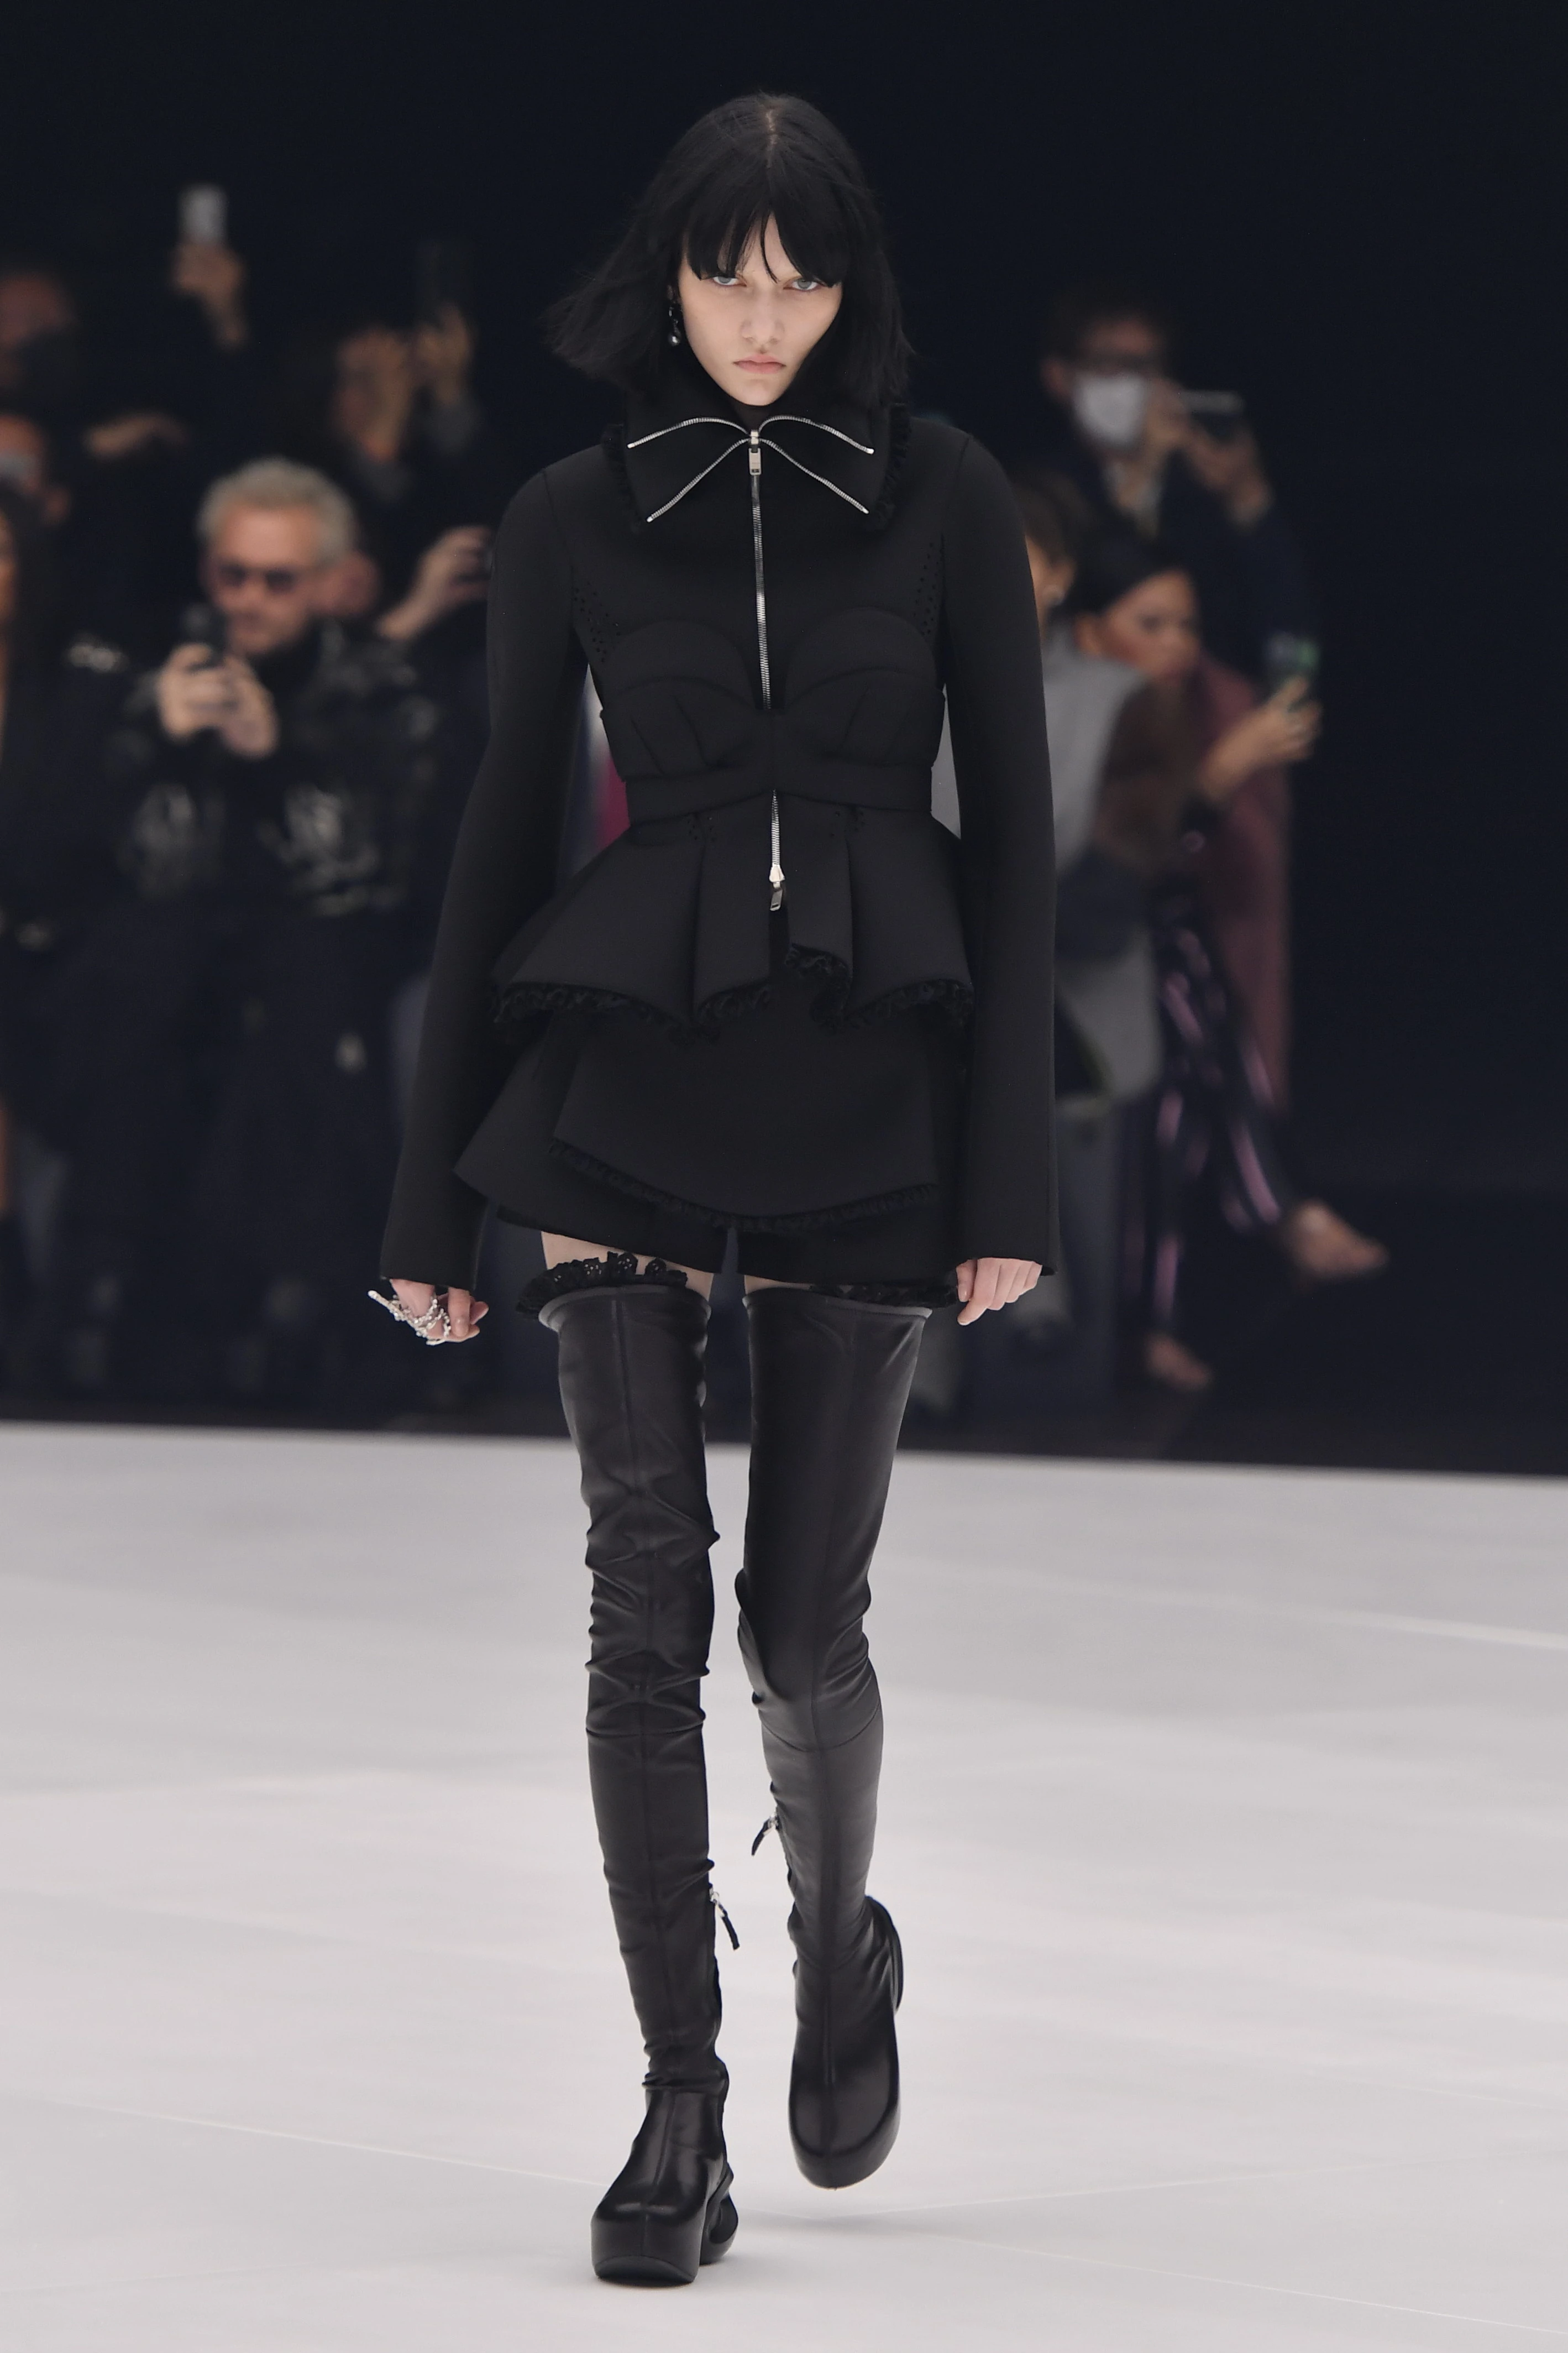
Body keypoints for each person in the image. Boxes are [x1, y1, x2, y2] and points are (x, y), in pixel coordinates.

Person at [377, 93, 1055, 2284]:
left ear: (851, 285)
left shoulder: (944, 494)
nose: (762, 316)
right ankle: (679, 2093)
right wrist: (427, 1199)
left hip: (874, 1063)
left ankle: (837, 1945)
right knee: (637, 1603)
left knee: (797, 1624)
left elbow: (1016, 842)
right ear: (662, 275)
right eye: (724, 269)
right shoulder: (571, 515)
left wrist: (1008, 1163)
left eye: (801, 273)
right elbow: (500, 840)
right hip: (632, 1061)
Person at [37, 459, 455, 1402]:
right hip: (166, 965)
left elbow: (383, 878)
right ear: (207, 571)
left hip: (326, 960)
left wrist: (276, 761)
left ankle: (296, 1307)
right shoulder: (144, 680)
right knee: (142, 975)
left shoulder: (385, 689)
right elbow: (66, 856)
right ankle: (106, 1299)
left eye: (278, 580)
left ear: (330, 583)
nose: (250, 600)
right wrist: (149, 738)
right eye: (233, 575)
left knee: (300, 992)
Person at [1068, 528, 1385, 1390]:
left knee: (1177, 1087)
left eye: (1188, 626)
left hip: (1152, 955)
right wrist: (1217, 775)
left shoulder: (1174, 708)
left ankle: (1160, 1316)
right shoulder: (1080, 709)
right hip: (1077, 956)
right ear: (1090, 628)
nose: (1177, 645)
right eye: (1152, 624)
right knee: (1186, 1001)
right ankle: (1277, 1205)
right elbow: (1110, 874)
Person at [1035, 279, 1315, 682]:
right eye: (1110, 363)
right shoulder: (1041, 487)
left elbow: (1281, 623)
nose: (1131, 382)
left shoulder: (1199, 487)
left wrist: (1247, 496)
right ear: (1059, 377)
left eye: (1145, 365)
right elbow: (1076, 601)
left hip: (1200, 707)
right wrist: (1141, 473)